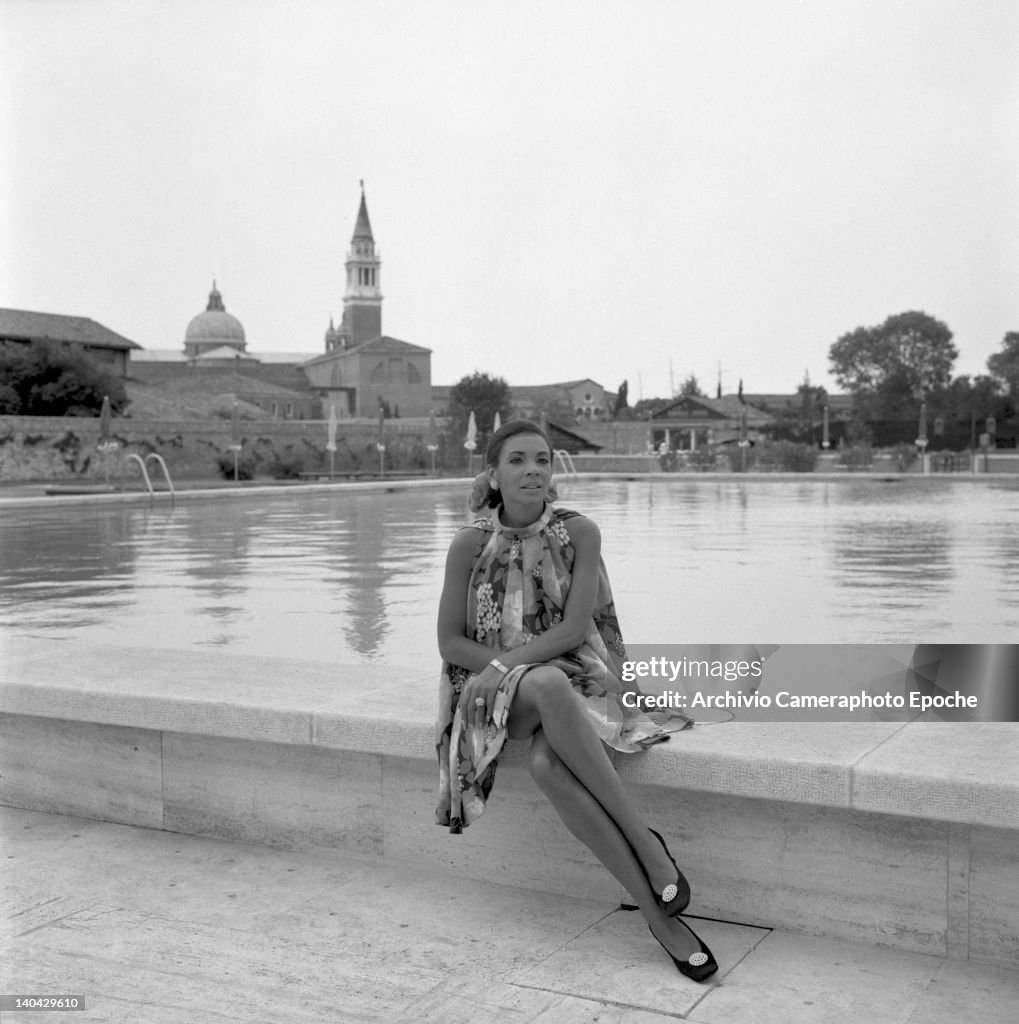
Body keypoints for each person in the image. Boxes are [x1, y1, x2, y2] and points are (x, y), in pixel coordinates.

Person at [435, 419, 717, 982]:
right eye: (516, 460)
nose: (533, 469)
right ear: (492, 474)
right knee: (542, 684)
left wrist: (510, 663)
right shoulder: (469, 543)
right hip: (489, 687)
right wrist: (499, 667)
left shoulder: (578, 532)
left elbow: (573, 632)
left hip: (570, 672)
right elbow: (449, 642)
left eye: (541, 458)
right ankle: (644, 839)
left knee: (547, 764)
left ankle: (658, 921)